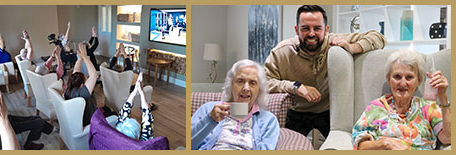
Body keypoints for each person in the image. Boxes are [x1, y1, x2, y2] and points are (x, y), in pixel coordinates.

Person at [266, 5, 387, 138]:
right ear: (297, 30)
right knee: (286, 144)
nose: (311, 34)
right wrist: (296, 87)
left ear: (326, 30)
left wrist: (352, 48)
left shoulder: (334, 42)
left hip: (329, 111)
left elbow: (378, 37)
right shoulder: (281, 51)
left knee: (347, 142)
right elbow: (265, 83)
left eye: (317, 28)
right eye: (305, 28)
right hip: (297, 110)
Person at [351, 50, 450, 150]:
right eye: (397, 77)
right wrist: (386, 143)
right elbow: (359, 145)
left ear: (418, 81)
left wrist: (443, 97)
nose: (403, 83)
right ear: (389, 80)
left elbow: (448, 138)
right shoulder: (376, 107)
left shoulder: (428, 108)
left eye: (409, 77)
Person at [190, 60, 281, 150]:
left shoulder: (268, 120)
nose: (246, 88)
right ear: (231, 85)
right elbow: (189, 143)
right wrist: (211, 119)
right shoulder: (208, 109)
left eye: (252, 83)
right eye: (240, 81)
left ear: (259, 90)